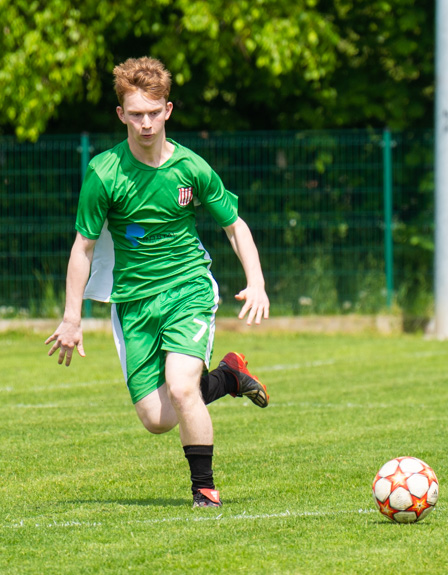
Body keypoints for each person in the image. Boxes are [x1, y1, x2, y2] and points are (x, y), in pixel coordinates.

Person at [45, 57, 271, 509]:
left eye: (153, 112)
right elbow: (82, 249)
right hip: (133, 302)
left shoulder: (191, 168)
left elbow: (234, 226)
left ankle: (204, 490)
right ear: (121, 115)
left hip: (188, 288)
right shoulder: (104, 173)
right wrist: (72, 318)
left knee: (183, 385)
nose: (145, 123)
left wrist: (257, 282)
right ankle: (228, 377)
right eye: (136, 113)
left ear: (168, 110)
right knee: (155, 418)